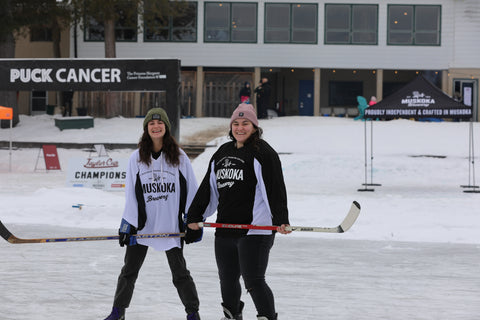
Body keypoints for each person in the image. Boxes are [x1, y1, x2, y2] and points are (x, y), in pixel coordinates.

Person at [185, 103, 291, 320]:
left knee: (253, 281)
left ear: (254, 126)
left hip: (254, 230)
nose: (240, 128)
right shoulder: (223, 152)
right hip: (225, 229)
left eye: (245, 123)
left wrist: (280, 219)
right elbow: (209, 188)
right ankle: (232, 315)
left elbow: (274, 188)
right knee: (227, 279)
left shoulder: (263, 152)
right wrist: (195, 216)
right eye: (236, 123)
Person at [103, 108, 202, 320]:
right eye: (151, 124)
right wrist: (127, 223)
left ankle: (193, 312)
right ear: (146, 128)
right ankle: (118, 311)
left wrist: (193, 219)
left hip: (170, 225)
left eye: (160, 123)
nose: (155, 127)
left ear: (166, 127)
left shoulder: (180, 157)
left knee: (180, 273)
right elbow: (131, 193)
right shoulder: (136, 158)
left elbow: (192, 189)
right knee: (129, 270)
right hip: (143, 225)